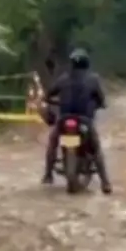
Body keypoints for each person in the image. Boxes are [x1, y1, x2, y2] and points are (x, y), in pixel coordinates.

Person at [41, 48, 112, 194]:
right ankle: (105, 183)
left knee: (53, 143)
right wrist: (100, 105)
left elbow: (48, 95)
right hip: (84, 121)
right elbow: (102, 100)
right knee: (96, 148)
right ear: (87, 63)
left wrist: (54, 102)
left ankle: (48, 174)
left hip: (64, 120)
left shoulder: (63, 78)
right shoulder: (93, 79)